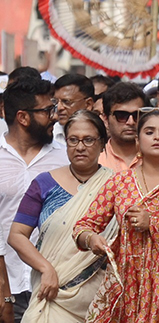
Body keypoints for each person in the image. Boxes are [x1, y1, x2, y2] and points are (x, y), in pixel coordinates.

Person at [73, 109, 159, 322]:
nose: (157, 137)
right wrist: (91, 239)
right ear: (137, 141)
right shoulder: (120, 182)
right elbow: (83, 226)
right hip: (130, 286)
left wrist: (153, 223)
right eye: (149, 132)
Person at [8, 111, 116, 322]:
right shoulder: (44, 183)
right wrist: (45, 268)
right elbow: (17, 235)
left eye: (88, 140)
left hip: (102, 300)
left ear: (103, 144)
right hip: (52, 294)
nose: (80, 147)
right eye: (73, 140)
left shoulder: (117, 185)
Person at [0, 78, 67, 322]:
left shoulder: (65, 158)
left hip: (55, 286)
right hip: (7, 288)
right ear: (23, 117)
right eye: (47, 110)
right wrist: (3, 291)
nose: (55, 116)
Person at [100, 82, 159, 172]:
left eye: (136, 115)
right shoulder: (95, 162)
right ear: (105, 119)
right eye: (122, 116)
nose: (130, 122)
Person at [52, 74, 94, 145]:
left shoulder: (100, 136)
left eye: (67, 102)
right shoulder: (49, 137)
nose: (59, 108)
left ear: (88, 104)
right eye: (55, 101)